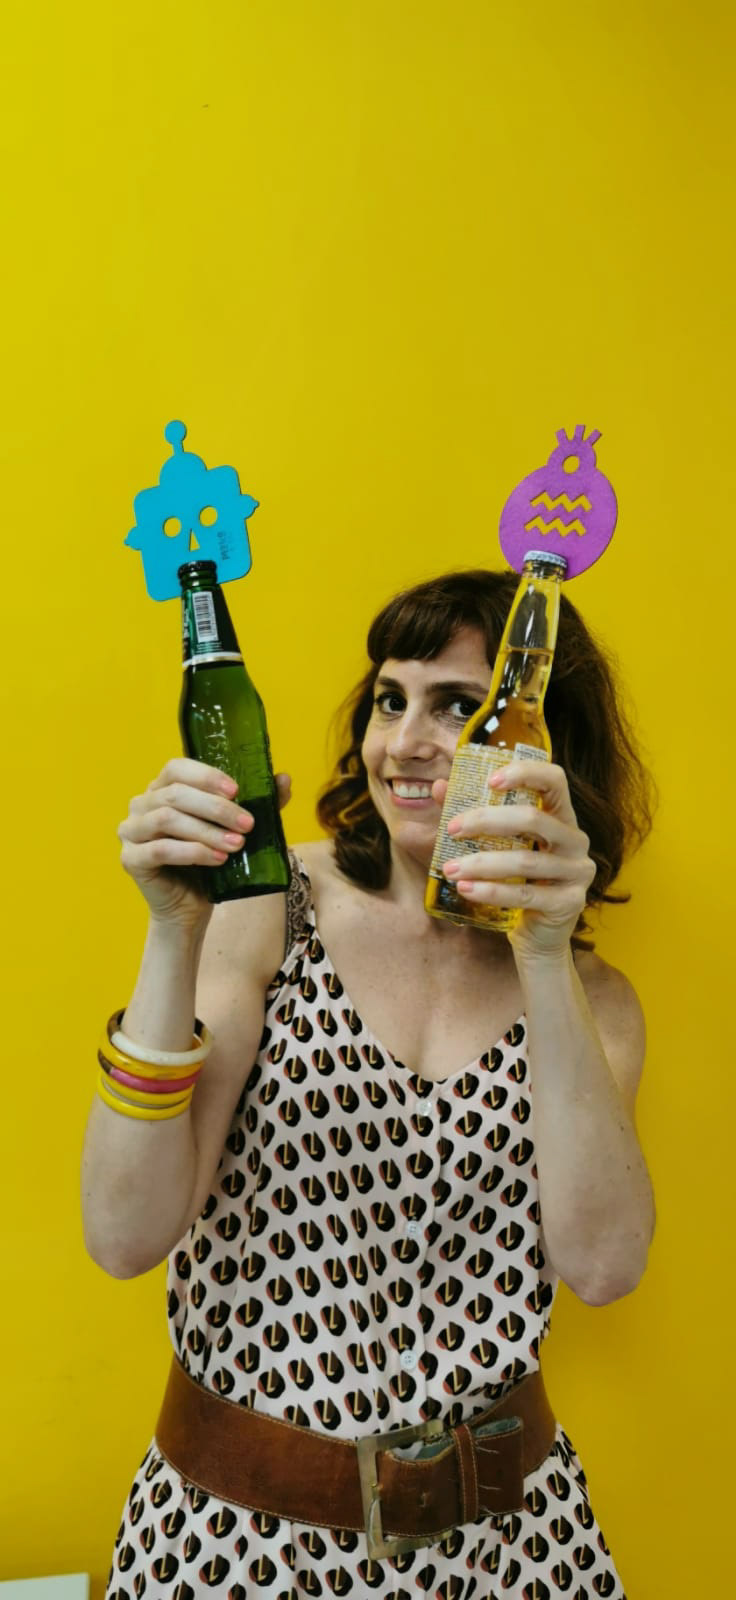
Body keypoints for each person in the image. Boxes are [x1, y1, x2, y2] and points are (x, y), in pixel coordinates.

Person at [84, 567, 657, 1600]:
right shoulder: (272, 908)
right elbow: (124, 1234)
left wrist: (541, 950)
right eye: (392, 700)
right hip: (240, 1544)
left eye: (459, 706)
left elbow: (605, 1266)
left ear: (542, 745)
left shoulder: (591, 999)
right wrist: (173, 931)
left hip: (510, 1549)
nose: (406, 743)